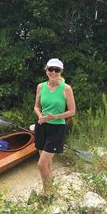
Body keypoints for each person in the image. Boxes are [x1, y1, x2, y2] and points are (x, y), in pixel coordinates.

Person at [34, 58, 76, 196]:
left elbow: (72, 111)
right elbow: (36, 106)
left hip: (57, 128)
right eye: (50, 69)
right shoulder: (41, 86)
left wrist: (55, 117)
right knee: (48, 164)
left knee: (41, 164)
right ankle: (48, 189)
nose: (53, 72)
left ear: (60, 71)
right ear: (46, 70)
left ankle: (48, 192)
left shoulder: (66, 88)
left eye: (56, 70)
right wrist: (40, 115)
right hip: (41, 126)